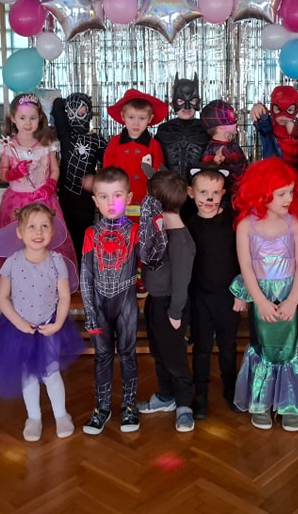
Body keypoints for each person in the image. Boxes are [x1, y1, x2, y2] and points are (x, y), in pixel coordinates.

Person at [80, 166, 167, 435]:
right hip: (99, 304)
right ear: (95, 200)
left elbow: (153, 258)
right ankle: (102, 407)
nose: (111, 202)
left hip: (126, 301)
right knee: (102, 356)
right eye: (104, 196)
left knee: (128, 355)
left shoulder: (134, 231)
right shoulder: (91, 234)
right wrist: (90, 312)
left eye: (117, 195)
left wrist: (154, 221)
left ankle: (129, 406)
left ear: (128, 198)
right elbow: (86, 276)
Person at [0, 203, 85, 442]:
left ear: (52, 231)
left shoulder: (57, 261)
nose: (38, 232)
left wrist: (58, 323)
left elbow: (64, 297)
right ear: (20, 232)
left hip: (49, 326)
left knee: (51, 373)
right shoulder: (12, 262)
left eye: (44, 226)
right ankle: (34, 417)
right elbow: (2, 298)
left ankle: (61, 414)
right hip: (20, 328)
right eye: (31, 227)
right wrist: (19, 323)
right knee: (28, 375)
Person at [230, 158, 298, 432]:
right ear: (262, 193)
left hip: (288, 294)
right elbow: (246, 266)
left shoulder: (293, 224)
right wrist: (260, 301)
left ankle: (290, 405)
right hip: (261, 295)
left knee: (288, 349)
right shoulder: (246, 226)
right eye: (282, 194)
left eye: (291, 192)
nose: (289, 199)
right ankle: (261, 402)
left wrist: (293, 299)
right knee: (264, 348)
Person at [0, 92, 77, 288]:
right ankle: (18, 285)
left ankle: (47, 284)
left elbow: (55, 170)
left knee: (46, 239)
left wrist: (50, 185)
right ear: (13, 118)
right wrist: (15, 173)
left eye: (32, 118)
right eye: (22, 118)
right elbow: (3, 174)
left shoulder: (46, 144)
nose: (28, 123)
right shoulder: (8, 146)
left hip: (43, 199)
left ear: (40, 118)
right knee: (17, 242)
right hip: (16, 202)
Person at [136, 170, 197, 432]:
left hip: (171, 307)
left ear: (157, 202)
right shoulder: (160, 230)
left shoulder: (181, 241)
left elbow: (181, 283)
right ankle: (166, 395)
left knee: (175, 358)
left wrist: (175, 313)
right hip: (155, 302)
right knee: (159, 353)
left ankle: (184, 404)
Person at [185, 167, 242, 420]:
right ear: (191, 193)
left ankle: (231, 389)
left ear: (223, 193)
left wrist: (241, 293)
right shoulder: (189, 225)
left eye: (215, 193)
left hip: (229, 296)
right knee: (202, 347)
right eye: (203, 192)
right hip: (199, 297)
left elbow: (242, 260)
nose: (209, 198)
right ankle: (201, 394)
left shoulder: (232, 222)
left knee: (229, 345)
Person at [51, 93, 107, 265]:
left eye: (81, 113)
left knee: (84, 238)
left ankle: (84, 272)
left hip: (85, 199)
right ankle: (69, 271)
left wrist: (96, 179)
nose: (75, 117)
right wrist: (68, 101)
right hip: (65, 196)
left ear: (89, 113)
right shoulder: (66, 135)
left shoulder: (98, 141)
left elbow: (109, 167)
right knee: (65, 236)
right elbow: (57, 105)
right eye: (71, 113)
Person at [102, 88, 168, 219]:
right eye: (131, 117)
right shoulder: (114, 143)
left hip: (144, 199)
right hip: (118, 198)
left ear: (150, 119)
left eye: (142, 118)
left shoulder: (154, 145)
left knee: (143, 228)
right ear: (123, 117)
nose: (136, 123)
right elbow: (106, 171)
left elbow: (158, 177)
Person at [249, 85, 298, 171]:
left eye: (289, 110)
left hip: (294, 175)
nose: (283, 116)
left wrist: (297, 132)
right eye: (278, 109)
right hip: (273, 174)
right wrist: (258, 107)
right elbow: (262, 122)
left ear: (296, 110)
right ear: (271, 108)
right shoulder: (269, 126)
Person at [155, 73, 209, 181]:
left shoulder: (205, 129)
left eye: (192, 101)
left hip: (198, 185)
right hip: (169, 185)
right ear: (172, 104)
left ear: (198, 102)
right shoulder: (164, 129)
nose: (187, 107)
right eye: (181, 101)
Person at [199, 100, 248, 196]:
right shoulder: (213, 149)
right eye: (232, 120)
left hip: (241, 191)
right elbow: (206, 173)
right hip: (226, 195)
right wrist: (215, 163)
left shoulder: (233, 146)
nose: (236, 123)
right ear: (221, 126)